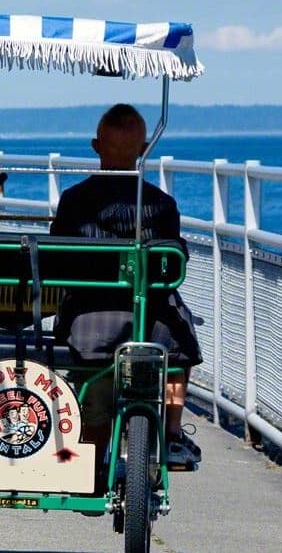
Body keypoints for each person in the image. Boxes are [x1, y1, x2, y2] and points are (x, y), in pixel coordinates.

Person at [50, 103, 202, 471]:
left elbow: (57, 258)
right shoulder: (161, 203)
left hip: (89, 323)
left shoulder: (74, 200)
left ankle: (93, 461)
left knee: (96, 398)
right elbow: (173, 259)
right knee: (181, 348)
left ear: (95, 146)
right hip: (152, 319)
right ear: (144, 148)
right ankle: (172, 431)